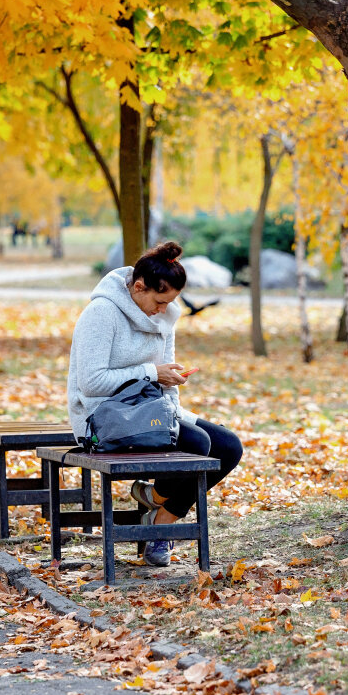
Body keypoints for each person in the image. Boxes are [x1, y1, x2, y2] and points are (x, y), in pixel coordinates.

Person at [67, 241, 243, 567]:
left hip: (150, 411)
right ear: (138, 287)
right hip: (102, 418)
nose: (164, 309)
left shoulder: (166, 316)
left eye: (171, 302)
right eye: (160, 301)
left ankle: (158, 506)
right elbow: (90, 383)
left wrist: (172, 405)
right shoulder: (101, 313)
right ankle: (160, 525)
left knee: (228, 446)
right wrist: (152, 373)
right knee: (198, 443)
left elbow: (166, 378)